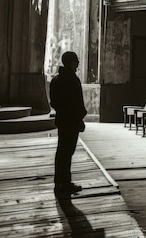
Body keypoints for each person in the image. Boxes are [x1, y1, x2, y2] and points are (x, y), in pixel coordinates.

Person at [49, 51, 87, 195]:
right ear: (71, 62)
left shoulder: (56, 80)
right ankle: (64, 184)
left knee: (62, 152)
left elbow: (54, 102)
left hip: (62, 119)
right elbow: (77, 102)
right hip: (72, 121)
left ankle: (59, 183)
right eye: (76, 61)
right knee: (67, 152)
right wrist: (80, 118)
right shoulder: (72, 80)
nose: (78, 63)